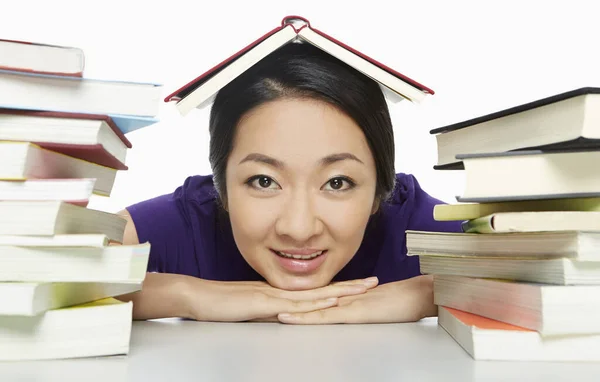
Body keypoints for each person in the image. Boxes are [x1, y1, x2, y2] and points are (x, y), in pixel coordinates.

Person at [116, 43, 463, 324]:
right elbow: (64, 261)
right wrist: (186, 295)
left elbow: (517, 265)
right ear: (221, 189)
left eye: (338, 182)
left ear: (379, 191)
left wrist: (429, 293)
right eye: (264, 181)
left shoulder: (412, 227)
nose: (299, 229)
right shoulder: (194, 220)